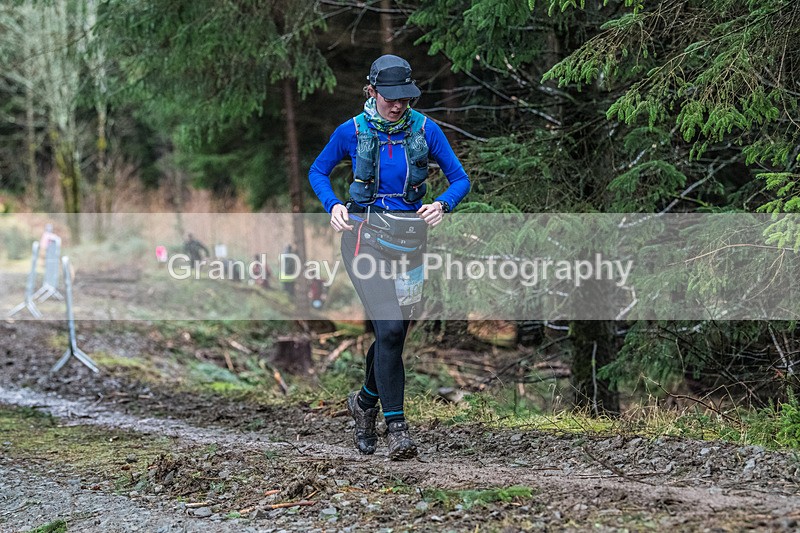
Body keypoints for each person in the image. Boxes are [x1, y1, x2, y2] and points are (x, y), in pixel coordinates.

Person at [309, 54, 470, 460]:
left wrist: (444, 204)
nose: (398, 105)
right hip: (364, 241)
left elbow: (460, 178)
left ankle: (364, 405)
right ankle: (396, 428)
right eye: (390, 97)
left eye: (404, 98)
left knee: (391, 335)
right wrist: (333, 205)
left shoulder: (426, 130)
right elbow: (318, 171)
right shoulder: (351, 132)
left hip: (411, 244)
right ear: (372, 91)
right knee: (392, 329)